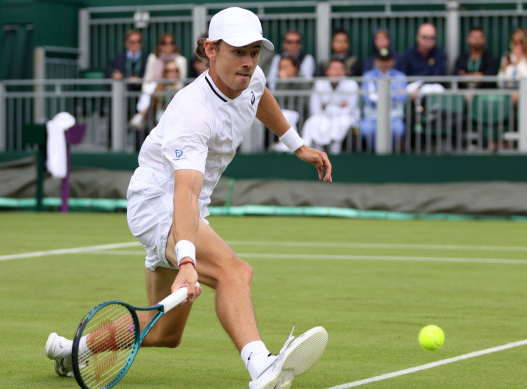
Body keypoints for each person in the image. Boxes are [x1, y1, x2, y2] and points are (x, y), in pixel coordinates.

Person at [45, 7, 330, 389]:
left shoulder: (252, 77)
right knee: (234, 271)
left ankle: (72, 349)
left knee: (164, 333)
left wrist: (297, 146)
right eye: (238, 52)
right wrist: (187, 260)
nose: (248, 63)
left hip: (186, 207)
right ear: (211, 50)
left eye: (254, 52)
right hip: (157, 204)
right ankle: (261, 366)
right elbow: (185, 193)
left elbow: (260, 96)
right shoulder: (192, 113)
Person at [301, 58, 360, 154]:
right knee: (314, 121)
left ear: (344, 71)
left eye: (340, 69)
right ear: (327, 71)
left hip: (346, 118)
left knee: (342, 121)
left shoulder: (351, 84)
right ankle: (318, 151)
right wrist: (340, 108)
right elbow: (315, 110)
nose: (337, 72)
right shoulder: (319, 84)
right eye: (334, 68)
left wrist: (327, 107)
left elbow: (349, 110)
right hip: (323, 117)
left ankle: (335, 151)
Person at [360, 48, 408, 151]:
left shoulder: (400, 76)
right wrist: (393, 95)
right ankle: (376, 154)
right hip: (372, 116)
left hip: (394, 116)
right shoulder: (368, 76)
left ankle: (389, 153)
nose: (384, 63)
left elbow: (402, 99)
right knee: (367, 130)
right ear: (376, 61)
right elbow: (368, 99)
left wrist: (378, 97)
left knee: (397, 130)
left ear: (392, 61)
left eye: (387, 60)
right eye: (381, 60)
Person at [129, 60, 185, 133]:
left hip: (176, 126)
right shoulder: (157, 88)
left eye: (175, 71)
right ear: (164, 73)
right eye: (169, 71)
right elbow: (152, 107)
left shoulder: (183, 89)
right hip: (157, 124)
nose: (173, 73)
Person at [498, 27, 527, 99]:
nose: (517, 45)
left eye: (520, 42)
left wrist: (518, 62)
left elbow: (525, 78)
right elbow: (500, 82)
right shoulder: (506, 57)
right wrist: (505, 69)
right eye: (514, 42)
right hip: (508, 94)